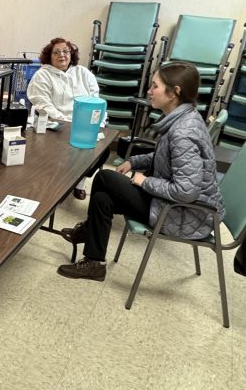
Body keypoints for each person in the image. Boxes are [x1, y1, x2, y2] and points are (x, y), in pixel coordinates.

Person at [57, 62, 225, 282]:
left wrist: (143, 181)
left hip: (183, 213)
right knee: (101, 198)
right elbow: (165, 157)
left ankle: (87, 234)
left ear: (175, 93)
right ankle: (94, 262)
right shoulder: (184, 119)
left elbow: (186, 191)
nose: (149, 91)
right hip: (174, 204)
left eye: (154, 86)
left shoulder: (183, 133)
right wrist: (134, 162)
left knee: (105, 177)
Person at [26, 37, 105, 199]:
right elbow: (43, 105)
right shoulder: (42, 75)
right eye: (56, 52)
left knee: (100, 152)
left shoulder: (83, 72)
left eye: (65, 51)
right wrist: (69, 124)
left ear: (71, 54)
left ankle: (79, 181)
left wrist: (98, 123)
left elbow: (96, 101)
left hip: (85, 126)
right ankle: (62, 183)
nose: (62, 55)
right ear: (49, 56)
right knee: (71, 149)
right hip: (56, 125)